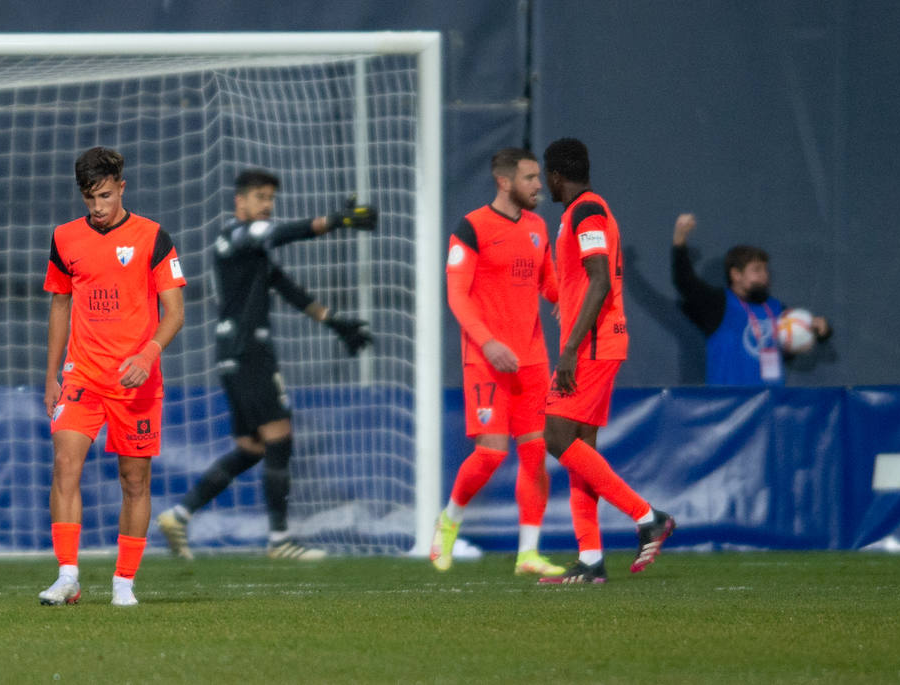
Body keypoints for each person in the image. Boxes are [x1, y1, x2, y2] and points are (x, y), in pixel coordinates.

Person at [156, 169, 375, 562]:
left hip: (233, 355)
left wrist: (336, 322)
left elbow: (290, 290)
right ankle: (280, 540)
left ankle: (179, 513)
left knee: (253, 447)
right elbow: (281, 232)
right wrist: (335, 220)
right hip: (249, 353)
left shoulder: (252, 253)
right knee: (279, 438)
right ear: (240, 202)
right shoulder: (234, 236)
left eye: (270, 198)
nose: (267, 205)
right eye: (260, 197)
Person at [38, 146, 187, 607]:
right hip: (82, 374)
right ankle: (67, 577)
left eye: (104, 196)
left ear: (122, 187)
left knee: (134, 481)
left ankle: (124, 583)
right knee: (66, 462)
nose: (97, 208)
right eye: (89, 199)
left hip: (136, 381)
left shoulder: (153, 236)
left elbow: (175, 312)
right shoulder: (64, 238)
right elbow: (60, 304)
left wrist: (149, 353)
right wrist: (50, 375)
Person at [536, 138, 674, 584]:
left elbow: (599, 280)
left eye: (546, 177)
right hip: (597, 341)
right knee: (581, 452)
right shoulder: (585, 211)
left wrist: (571, 349)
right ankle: (591, 558)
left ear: (557, 176)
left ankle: (646, 515)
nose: (545, 185)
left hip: (592, 345)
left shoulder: (585, 211)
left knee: (556, 438)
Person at [428, 148, 564, 577]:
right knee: (490, 454)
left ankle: (528, 553)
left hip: (533, 360)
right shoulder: (471, 227)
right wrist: (487, 343)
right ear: (504, 182)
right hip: (487, 360)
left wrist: (581, 300)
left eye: (538, 177)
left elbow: (550, 285)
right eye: (529, 178)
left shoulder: (539, 227)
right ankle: (448, 521)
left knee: (535, 453)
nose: (538, 185)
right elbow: (456, 295)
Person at [671, 213, 832, 385]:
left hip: (771, 405)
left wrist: (819, 331)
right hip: (730, 407)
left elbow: (796, 343)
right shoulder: (718, 303)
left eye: (765, 270)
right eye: (756, 270)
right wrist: (680, 239)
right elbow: (684, 281)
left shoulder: (776, 308)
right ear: (736, 274)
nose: (764, 275)